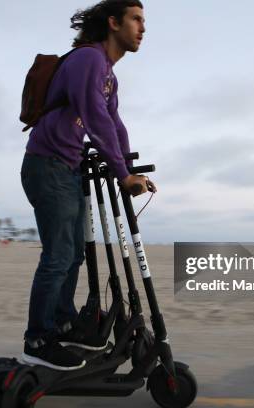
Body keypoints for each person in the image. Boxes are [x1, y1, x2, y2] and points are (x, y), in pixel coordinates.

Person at [20, 0, 154, 371]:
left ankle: (62, 323)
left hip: (68, 169)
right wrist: (122, 175)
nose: (143, 28)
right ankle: (37, 338)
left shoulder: (109, 74)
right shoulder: (88, 59)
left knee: (74, 254)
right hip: (47, 166)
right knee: (59, 255)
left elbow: (115, 124)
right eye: (136, 19)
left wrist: (128, 168)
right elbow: (95, 117)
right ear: (113, 22)